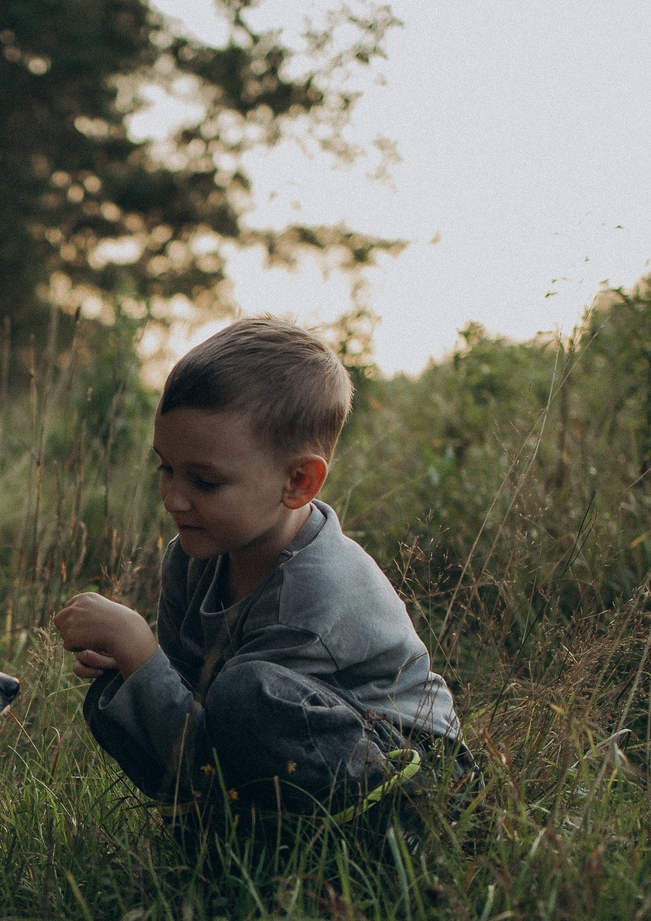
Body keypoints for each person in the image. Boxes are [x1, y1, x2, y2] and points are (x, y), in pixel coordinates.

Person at [53, 315, 462, 827]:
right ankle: (226, 829)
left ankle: (370, 839)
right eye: (166, 468)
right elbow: (189, 695)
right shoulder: (191, 559)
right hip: (284, 756)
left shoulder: (315, 594)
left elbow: (224, 734)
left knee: (243, 695)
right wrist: (136, 666)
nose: (174, 498)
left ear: (298, 482)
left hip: (413, 774)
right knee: (118, 689)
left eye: (205, 482)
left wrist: (139, 649)